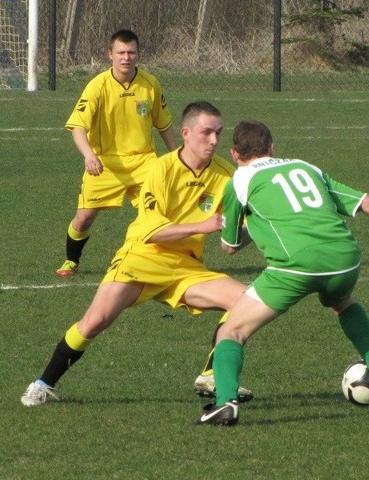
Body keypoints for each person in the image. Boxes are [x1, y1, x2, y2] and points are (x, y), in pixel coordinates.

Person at [196, 120, 369, 425]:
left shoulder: (238, 180)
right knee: (342, 302)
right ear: (273, 147)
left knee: (231, 331)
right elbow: (366, 202)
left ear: (235, 154)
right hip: (346, 259)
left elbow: (230, 246)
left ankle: (225, 403)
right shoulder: (305, 167)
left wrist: (254, 225)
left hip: (294, 267)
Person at [22, 102, 253, 406]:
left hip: (185, 267)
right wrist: (205, 224)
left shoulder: (226, 175)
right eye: (206, 132)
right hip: (141, 258)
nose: (213, 140)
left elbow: (241, 229)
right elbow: (153, 231)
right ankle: (43, 384)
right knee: (95, 321)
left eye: (218, 134)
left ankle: (212, 375)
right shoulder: (161, 168)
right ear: (185, 133)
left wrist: (249, 232)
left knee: (247, 302)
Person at [56, 29, 177, 277]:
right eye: (120, 52)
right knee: (84, 217)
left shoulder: (150, 84)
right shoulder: (97, 86)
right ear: (109, 54)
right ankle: (71, 260)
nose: (126, 57)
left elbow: (163, 123)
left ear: (138, 54)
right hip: (105, 164)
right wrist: (89, 155)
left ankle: (162, 262)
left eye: (131, 52)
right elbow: (77, 126)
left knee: (158, 212)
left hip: (144, 161)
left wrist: (178, 155)